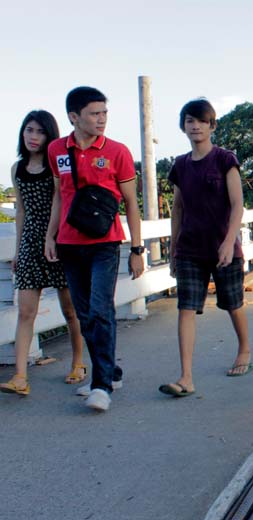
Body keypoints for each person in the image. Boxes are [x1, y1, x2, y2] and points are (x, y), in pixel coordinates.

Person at [44, 86, 145, 412]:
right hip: (70, 245)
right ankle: (109, 371)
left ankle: (101, 386)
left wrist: (137, 248)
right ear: (74, 117)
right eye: (94, 114)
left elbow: (131, 204)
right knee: (85, 314)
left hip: (105, 243)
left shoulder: (117, 152)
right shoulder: (57, 150)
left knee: (101, 310)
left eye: (104, 113)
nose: (102, 119)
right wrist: (51, 236)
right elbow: (60, 196)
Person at [159, 99, 252, 398]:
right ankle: (186, 377)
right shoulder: (181, 166)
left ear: (212, 125)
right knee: (185, 308)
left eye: (201, 121)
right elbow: (177, 209)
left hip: (223, 247)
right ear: (183, 126)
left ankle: (244, 349)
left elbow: (237, 205)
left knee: (232, 303)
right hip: (189, 249)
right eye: (189, 121)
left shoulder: (225, 160)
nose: (195, 126)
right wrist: (173, 250)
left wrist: (228, 241)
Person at [0, 111, 85, 397]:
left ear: (50, 135)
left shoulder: (55, 164)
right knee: (26, 312)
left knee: (71, 310)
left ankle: (78, 362)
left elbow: (62, 200)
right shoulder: (17, 168)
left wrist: (53, 237)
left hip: (59, 240)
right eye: (28, 130)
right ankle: (20, 376)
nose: (33, 137)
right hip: (30, 244)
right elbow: (21, 210)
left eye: (39, 131)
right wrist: (18, 249)